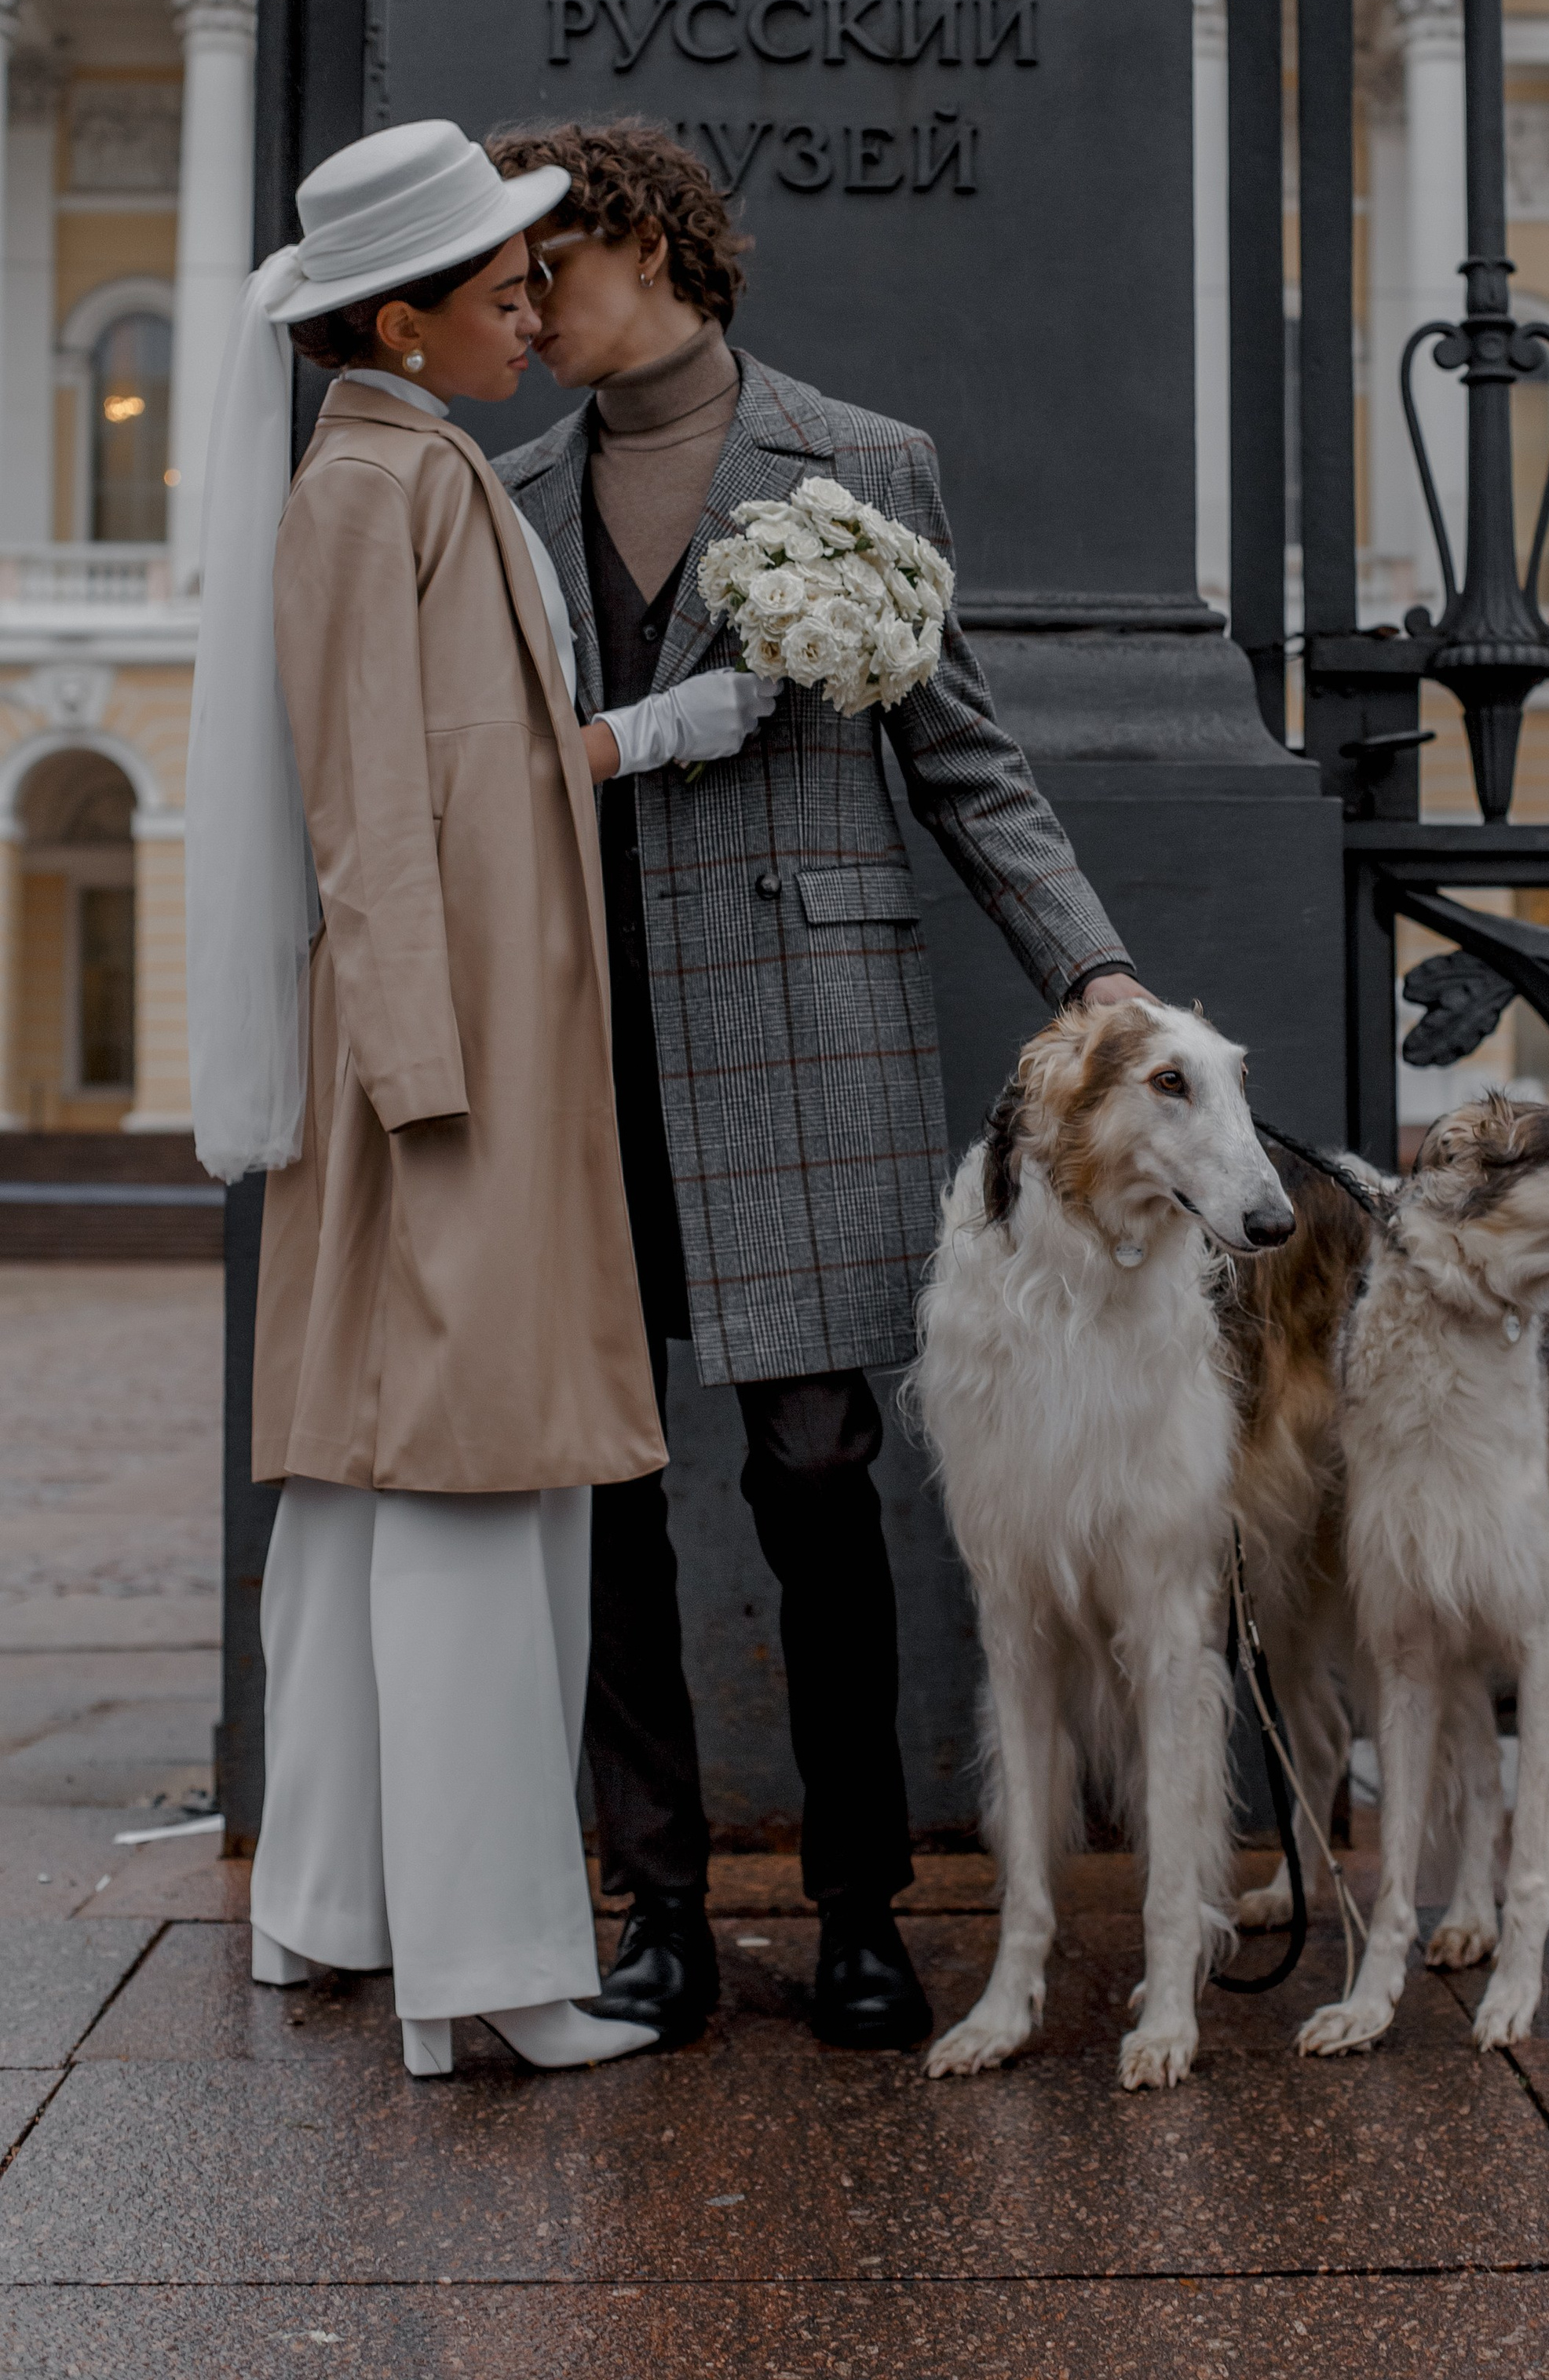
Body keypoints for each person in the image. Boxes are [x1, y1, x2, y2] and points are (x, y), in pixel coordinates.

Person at [486, 115, 1148, 2054]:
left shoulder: (861, 467)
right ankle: (659, 1916)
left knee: (816, 1472)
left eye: (554, 271)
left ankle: (862, 1910)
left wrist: (1088, 967)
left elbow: (964, 762)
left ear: (653, 250)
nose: (525, 313)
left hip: (805, 1026)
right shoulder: (502, 504)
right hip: (579, 1036)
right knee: (603, 1484)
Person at [185, 119, 776, 2079]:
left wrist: (661, 727)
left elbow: (477, 764)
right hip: (454, 1061)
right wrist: (429, 1072)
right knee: (475, 1489)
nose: (535, 308)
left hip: (443, 1044)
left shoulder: (398, 467)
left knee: (373, 1482)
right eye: (501, 287)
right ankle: (493, 1966)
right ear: (403, 320)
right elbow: (369, 794)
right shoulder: (383, 489)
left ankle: (337, 1907)